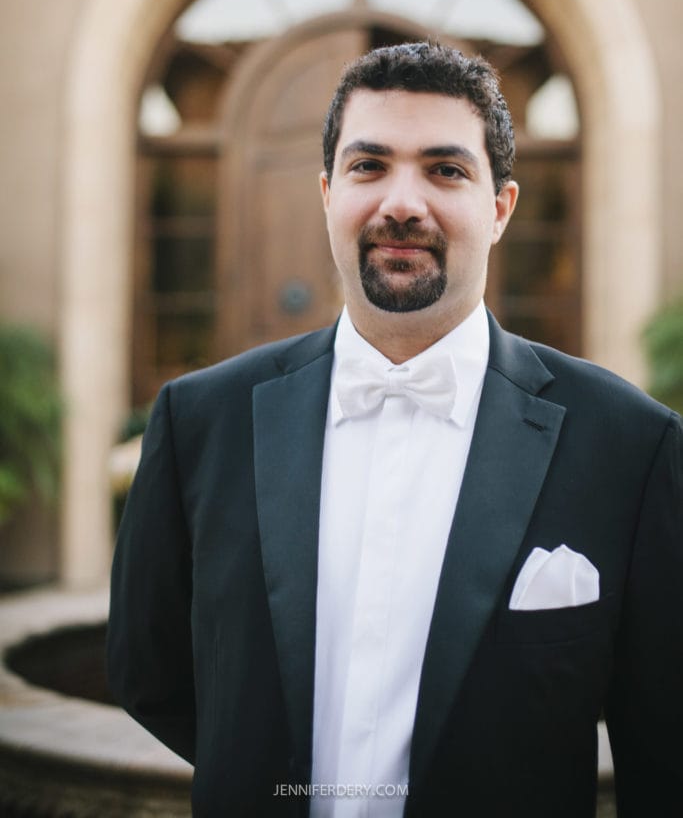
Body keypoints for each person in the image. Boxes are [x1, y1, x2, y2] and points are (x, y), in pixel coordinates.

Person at [107, 42, 682, 818]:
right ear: (326, 193)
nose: (400, 203)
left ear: (499, 207)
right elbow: (150, 674)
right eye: (368, 165)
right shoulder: (198, 422)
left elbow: (662, 744)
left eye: (444, 170)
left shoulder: (629, 446)